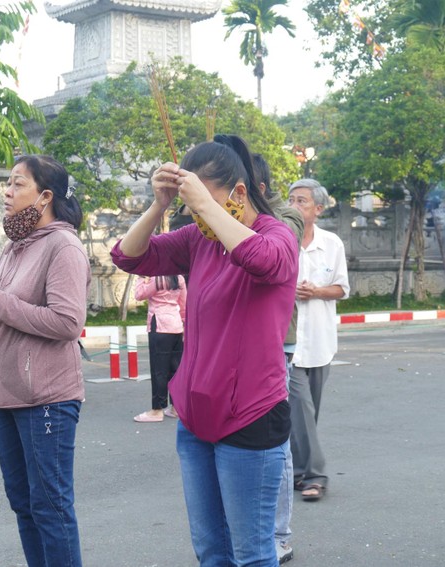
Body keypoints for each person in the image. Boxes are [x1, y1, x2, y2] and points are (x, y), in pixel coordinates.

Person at [111, 134, 298, 566]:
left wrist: (206, 206)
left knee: (251, 555)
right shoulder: (198, 239)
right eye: (190, 209)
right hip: (195, 415)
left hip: (251, 415)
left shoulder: (277, 235)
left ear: (238, 191)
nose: (196, 217)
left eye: (201, 205)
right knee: (212, 552)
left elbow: (264, 262)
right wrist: (159, 205)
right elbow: (129, 256)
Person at [0, 155, 90, 566]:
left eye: (18, 184)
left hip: (47, 398)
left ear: (46, 196)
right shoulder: (15, 248)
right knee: (24, 504)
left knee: (50, 507)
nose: (7, 192)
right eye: (8, 184)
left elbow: (67, 322)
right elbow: (8, 318)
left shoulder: (63, 246)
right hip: (9, 395)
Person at [287, 179, 349, 503]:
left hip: (322, 341)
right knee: (300, 406)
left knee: (308, 415)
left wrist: (316, 292)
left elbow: (341, 288)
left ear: (318, 209)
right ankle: (316, 475)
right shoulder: (280, 239)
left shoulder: (332, 243)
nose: (294, 206)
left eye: (302, 201)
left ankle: (297, 471)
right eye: (291, 200)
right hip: (290, 343)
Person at [253, 154, 303, 564]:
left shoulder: (286, 219)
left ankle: (279, 534)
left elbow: (267, 255)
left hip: (276, 343)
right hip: (234, 343)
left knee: (276, 443)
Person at [132, 275, 186, 423]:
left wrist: (141, 278)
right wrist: (184, 323)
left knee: (159, 370)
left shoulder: (157, 278)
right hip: (176, 325)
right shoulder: (179, 278)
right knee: (175, 370)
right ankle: (176, 407)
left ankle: (157, 410)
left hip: (160, 324)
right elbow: (183, 304)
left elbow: (139, 295)